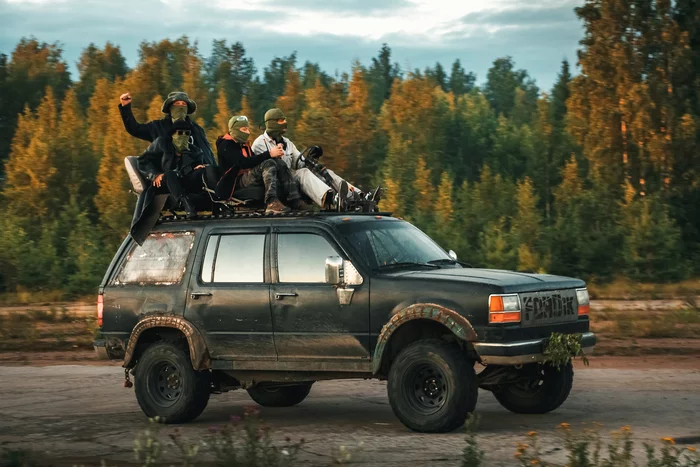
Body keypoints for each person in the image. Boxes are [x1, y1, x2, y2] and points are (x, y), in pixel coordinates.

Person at [251, 108, 358, 210]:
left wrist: (311, 158)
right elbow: (267, 168)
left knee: (322, 172)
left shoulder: (287, 142)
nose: (285, 122)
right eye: (281, 120)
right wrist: (274, 155)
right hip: (275, 183)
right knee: (303, 173)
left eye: (285, 120)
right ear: (272, 123)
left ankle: (356, 196)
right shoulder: (260, 143)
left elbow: (300, 162)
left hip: (290, 178)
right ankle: (331, 199)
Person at [216, 115, 307, 214]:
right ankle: (271, 202)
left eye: (248, 129)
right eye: (244, 129)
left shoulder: (243, 144)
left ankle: (294, 199)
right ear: (234, 129)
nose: (248, 132)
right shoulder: (226, 145)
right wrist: (269, 154)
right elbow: (242, 163)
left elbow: (254, 161)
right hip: (236, 181)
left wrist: (275, 155)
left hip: (248, 177)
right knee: (268, 163)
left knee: (278, 162)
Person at [118, 91, 216, 166]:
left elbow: (208, 153)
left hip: (195, 174)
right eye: (177, 104)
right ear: (170, 107)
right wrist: (126, 108)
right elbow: (135, 129)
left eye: (184, 104)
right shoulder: (157, 126)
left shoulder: (197, 129)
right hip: (168, 173)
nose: (181, 106)